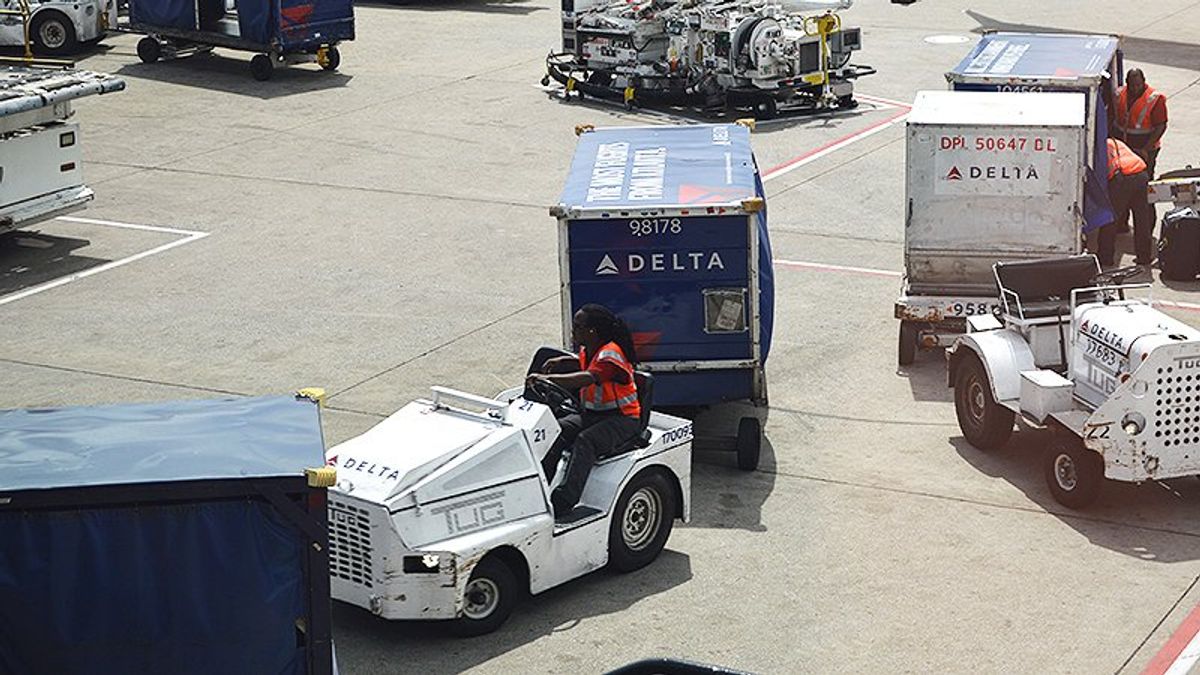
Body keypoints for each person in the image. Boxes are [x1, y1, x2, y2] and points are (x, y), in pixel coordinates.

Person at [528, 304, 641, 517]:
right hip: (594, 415)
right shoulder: (590, 349)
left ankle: (564, 501)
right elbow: (584, 364)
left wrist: (547, 379)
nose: (574, 330)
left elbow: (588, 376)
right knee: (556, 431)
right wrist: (562, 361)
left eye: (578, 326)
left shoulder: (611, 356)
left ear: (592, 331)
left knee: (585, 441)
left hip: (622, 420)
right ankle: (538, 486)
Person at [1098, 137, 1154, 269]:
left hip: (1122, 176)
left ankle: (1105, 257)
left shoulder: (1098, 147)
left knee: (1110, 219)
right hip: (1141, 173)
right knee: (1141, 218)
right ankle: (1144, 257)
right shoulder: (1116, 142)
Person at [1114, 68, 1168, 179]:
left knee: (1145, 177)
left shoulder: (1154, 98)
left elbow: (1161, 126)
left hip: (1146, 146)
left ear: (1144, 81)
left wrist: (1146, 149)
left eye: (1138, 85)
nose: (1135, 88)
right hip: (1125, 146)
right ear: (1126, 82)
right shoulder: (1119, 94)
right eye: (1132, 85)